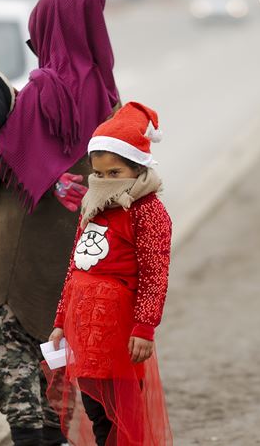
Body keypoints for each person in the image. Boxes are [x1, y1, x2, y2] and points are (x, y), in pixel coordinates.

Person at [0, 0, 120, 446]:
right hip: (80, 260)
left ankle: (32, 436)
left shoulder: (41, 94)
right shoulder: (110, 102)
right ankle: (53, 434)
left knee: (10, 355)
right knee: (59, 355)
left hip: (18, 258)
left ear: (47, 31)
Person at [47, 102, 173, 446]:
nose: (103, 181)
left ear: (138, 167)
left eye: (114, 173)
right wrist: (61, 319)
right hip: (84, 333)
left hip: (118, 336)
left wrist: (144, 327)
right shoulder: (93, 205)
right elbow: (75, 266)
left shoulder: (148, 212)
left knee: (120, 418)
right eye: (98, 174)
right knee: (96, 411)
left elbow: (153, 273)